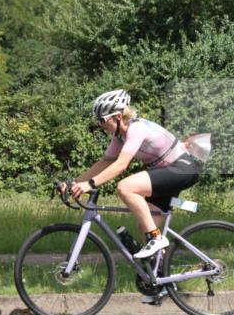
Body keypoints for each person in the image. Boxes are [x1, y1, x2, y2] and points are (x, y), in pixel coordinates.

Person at [66, 89, 201, 260]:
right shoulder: (119, 137)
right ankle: (159, 272)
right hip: (167, 173)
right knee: (144, 226)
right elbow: (105, 162)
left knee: (125, 187)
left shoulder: (136, 128)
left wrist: (90, 184)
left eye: (102, 120)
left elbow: (121, 165)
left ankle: (156, 238)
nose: (100, 124)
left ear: (118, 116)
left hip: (182, 168)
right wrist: (74, 183)